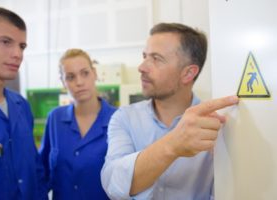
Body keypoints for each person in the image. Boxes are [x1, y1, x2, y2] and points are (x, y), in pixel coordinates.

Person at [101, 23, 239, 200]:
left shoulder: (215, 125)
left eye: (156, 59)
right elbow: (114, 184)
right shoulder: (125, 117)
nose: (142, 67)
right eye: (144, 56)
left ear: (188, 74)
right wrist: (173, 144)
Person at [0, 6, 47, 199]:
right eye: (6, 42)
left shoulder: (21, 106)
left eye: (22, 46)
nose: (17, 54)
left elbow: (35, 169)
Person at [39, 48, 116, 199]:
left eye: (85, 73)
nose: (79, 82)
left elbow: (130, 180)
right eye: (70, 77)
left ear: (94, 74)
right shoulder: (55, 119)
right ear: (63, 82)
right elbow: (42, 173)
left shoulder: (118, 119)